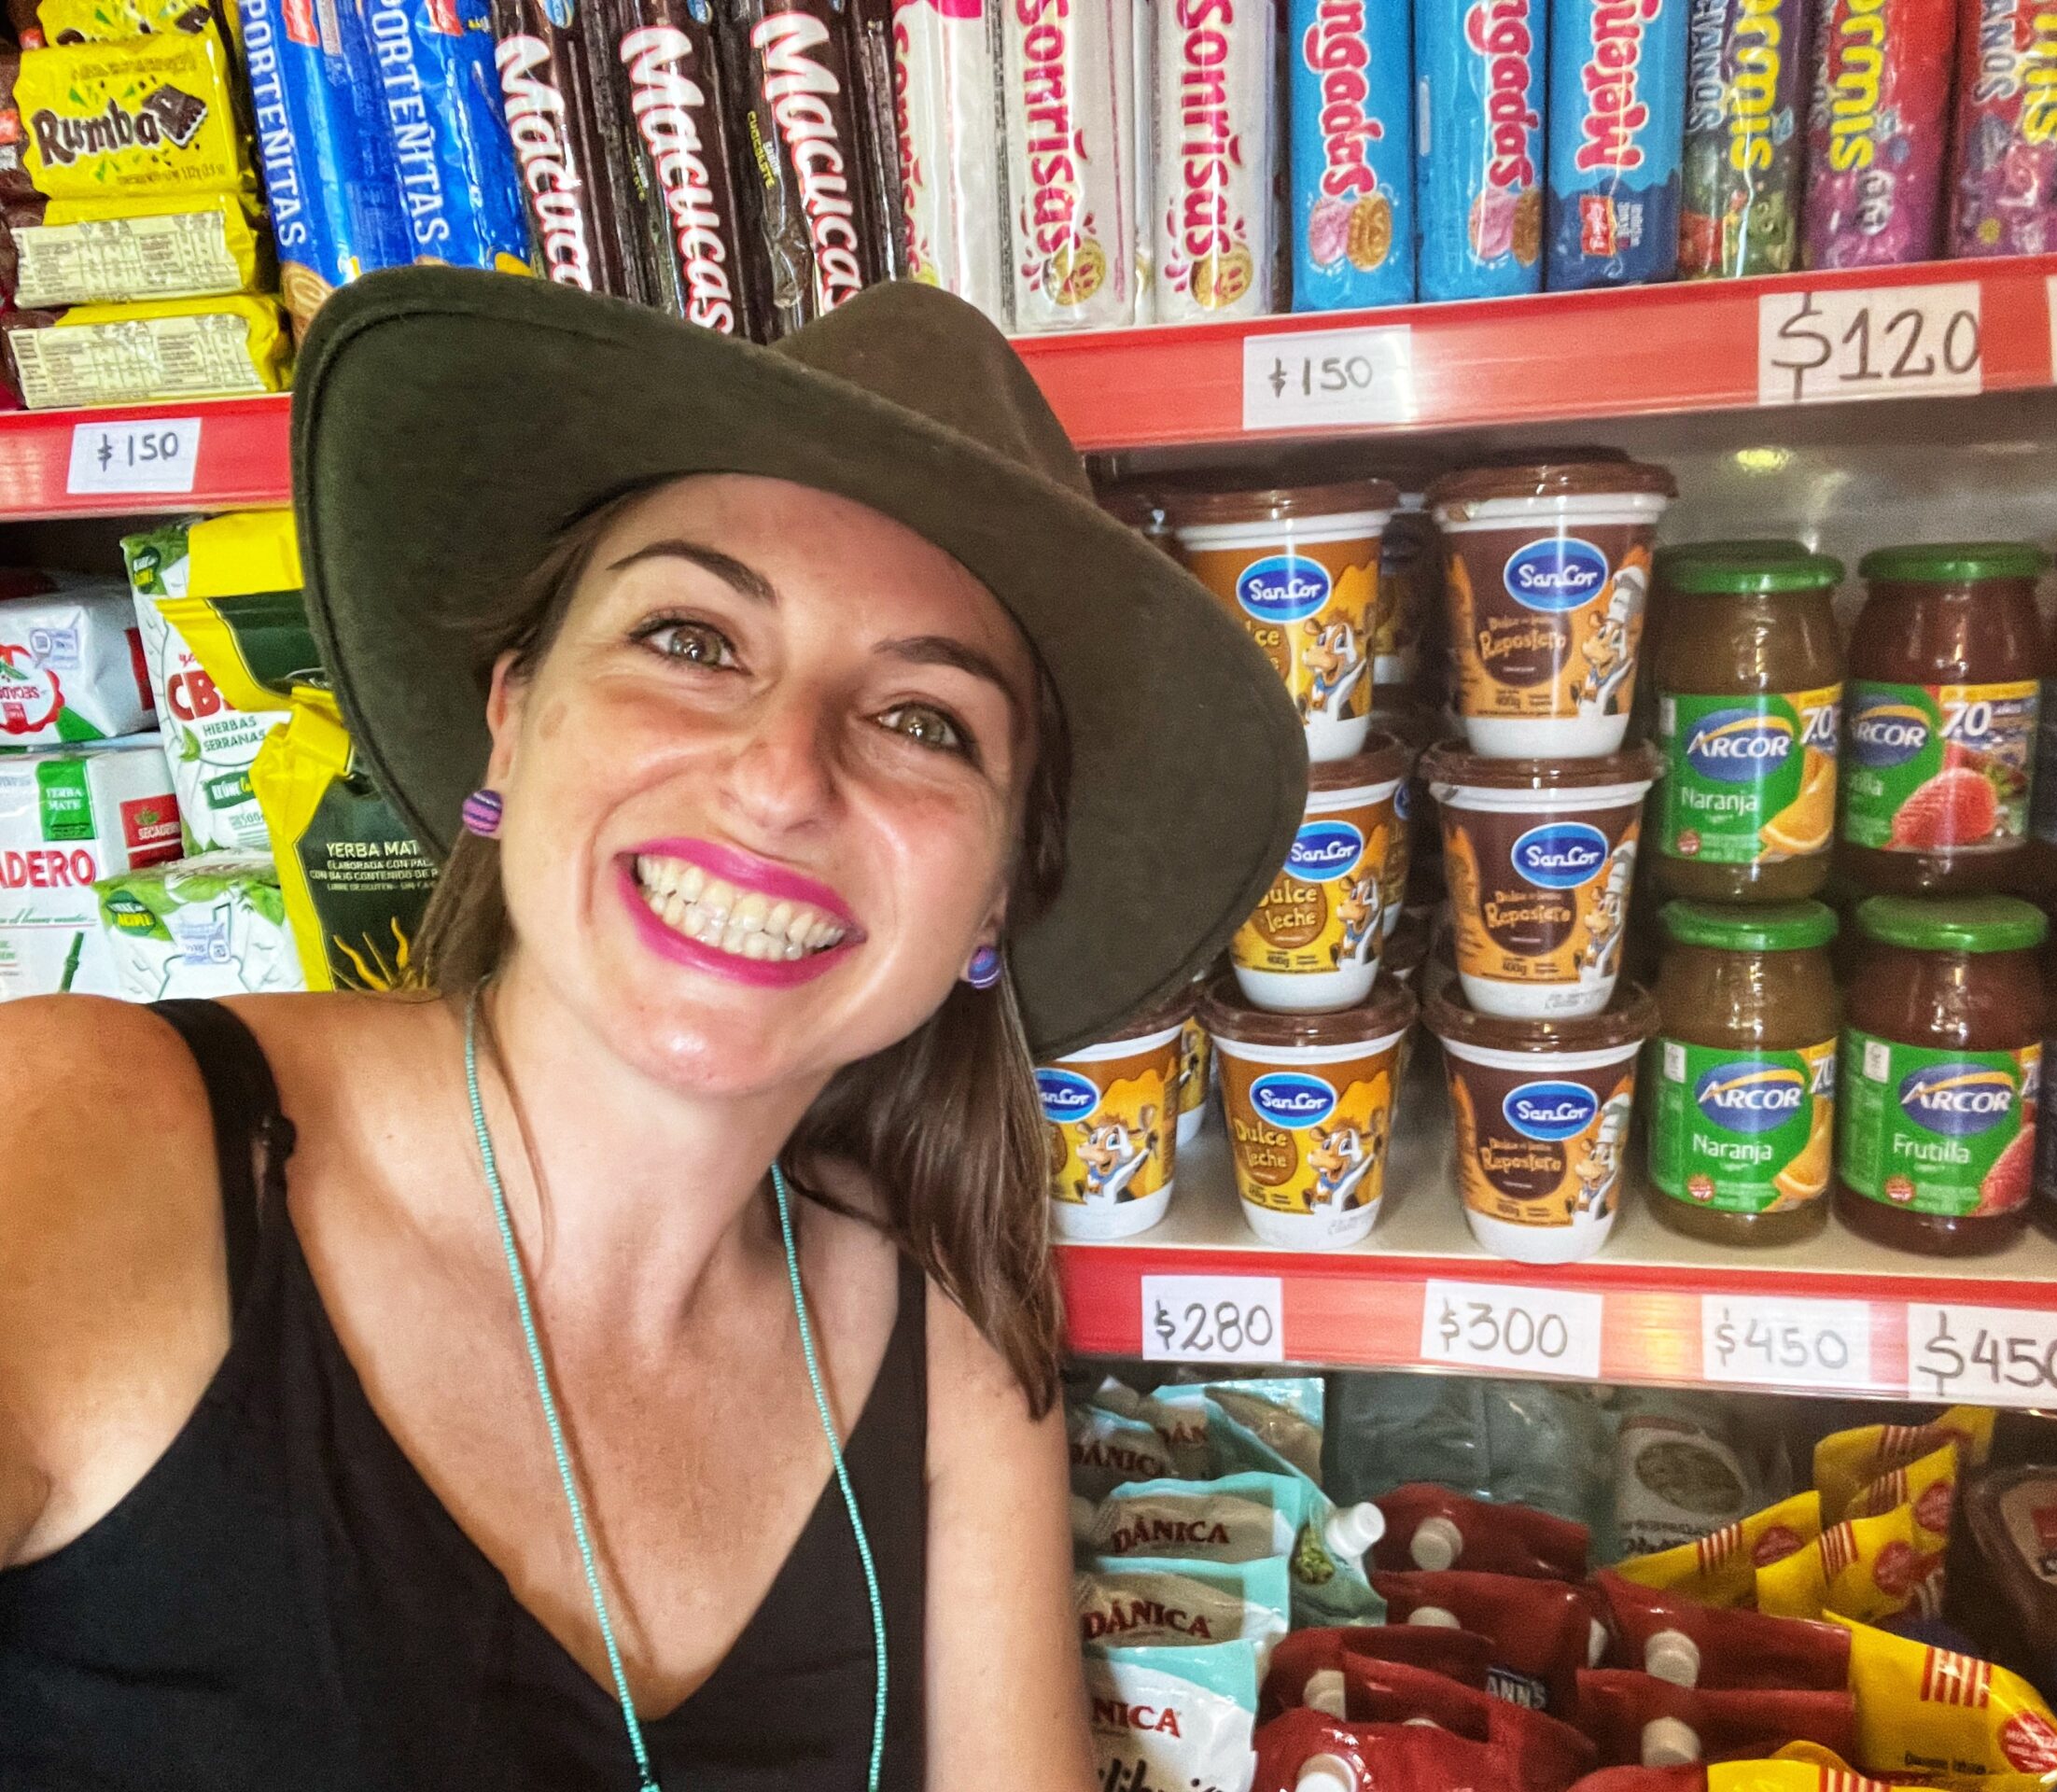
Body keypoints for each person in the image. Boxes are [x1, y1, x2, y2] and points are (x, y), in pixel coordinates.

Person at [0, 268, 1305, 1788]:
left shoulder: (942, 1340)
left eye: (925, 720)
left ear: (995, 896)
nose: (778, 777)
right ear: (512, 709)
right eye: (691, 638)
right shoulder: (92, 1138)